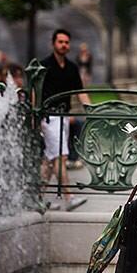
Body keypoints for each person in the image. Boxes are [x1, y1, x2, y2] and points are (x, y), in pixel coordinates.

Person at [40, 29, 91, 211]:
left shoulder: (71, 67)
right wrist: (35, 117)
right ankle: (69, 197)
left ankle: (37, 199)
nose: (64, 45)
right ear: (53, 43)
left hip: (63, 117)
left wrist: (90, 109)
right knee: (60, 157)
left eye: (66, 42)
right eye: (60, 42)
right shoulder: (43, 66)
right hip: (49, 116)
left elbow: (80, 91)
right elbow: (35, 93)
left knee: (49, 159)